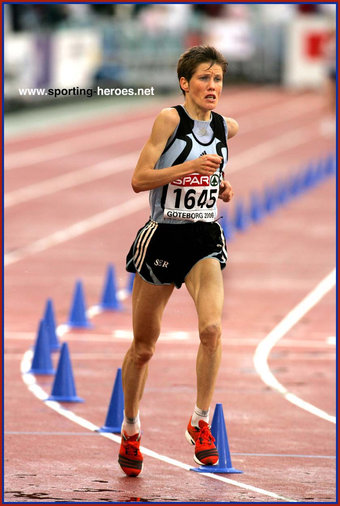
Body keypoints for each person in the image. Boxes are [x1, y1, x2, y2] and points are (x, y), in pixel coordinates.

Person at [118, 45, 239, 477]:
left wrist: (220, 186)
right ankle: (131, 428)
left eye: (218, 79)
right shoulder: (170, 120)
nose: (213, 87)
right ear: (185, 83)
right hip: (163, 237)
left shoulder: (229, 127)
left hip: (204, 236)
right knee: (145, 348)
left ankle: (199, 421)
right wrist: (189, 169)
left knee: (211, 329)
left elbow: (216, 172)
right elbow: (139, 179)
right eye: (205, 78)